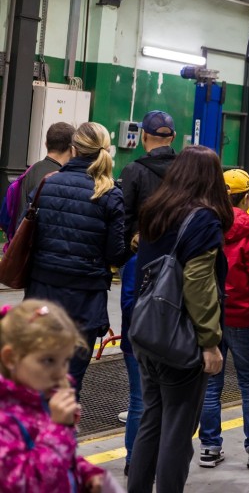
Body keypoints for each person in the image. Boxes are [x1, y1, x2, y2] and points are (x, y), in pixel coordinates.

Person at [127, 146, 230, 493]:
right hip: (181, 339)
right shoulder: (203, 219)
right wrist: (210, 341)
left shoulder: (156, 209)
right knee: (177, 431)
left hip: (149, 332)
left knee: (151, 421)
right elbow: (199, 284)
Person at [25, 121, 126, 398]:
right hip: (84, 302)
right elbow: (115, 254)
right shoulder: (110, 194)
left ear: (73, 149)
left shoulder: (47, 185)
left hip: (42, 296)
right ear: (106, 152)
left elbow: (29, 237)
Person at [117, 109, 177, 476]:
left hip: (140, 273)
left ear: (143, 137)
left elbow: (123, 222)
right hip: (176, 282)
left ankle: (134, 462)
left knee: (141, 393)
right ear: (172, 137)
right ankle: (164, 462)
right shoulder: (187, 173)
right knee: (174, 397)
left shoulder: (134, 171)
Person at [198, 169, 249, 470]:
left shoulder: (205, 229)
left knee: (211, 383)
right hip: (243, 317)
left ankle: (209, 448)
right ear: (247, 196)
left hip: (212, 316)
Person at [0, 300, 106, 492]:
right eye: (48, 360)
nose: (60, 373)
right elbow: (24, 484)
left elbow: (56, 458)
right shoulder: (5, 420)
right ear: (10, 358)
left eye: (65, 360)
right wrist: (58, 430)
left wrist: (83, 472)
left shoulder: (39, 399)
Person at [8, 122, 75, 238]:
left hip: (24, 241)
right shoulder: (63, 177)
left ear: (46, 144)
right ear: (72, 149)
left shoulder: (30, 171)